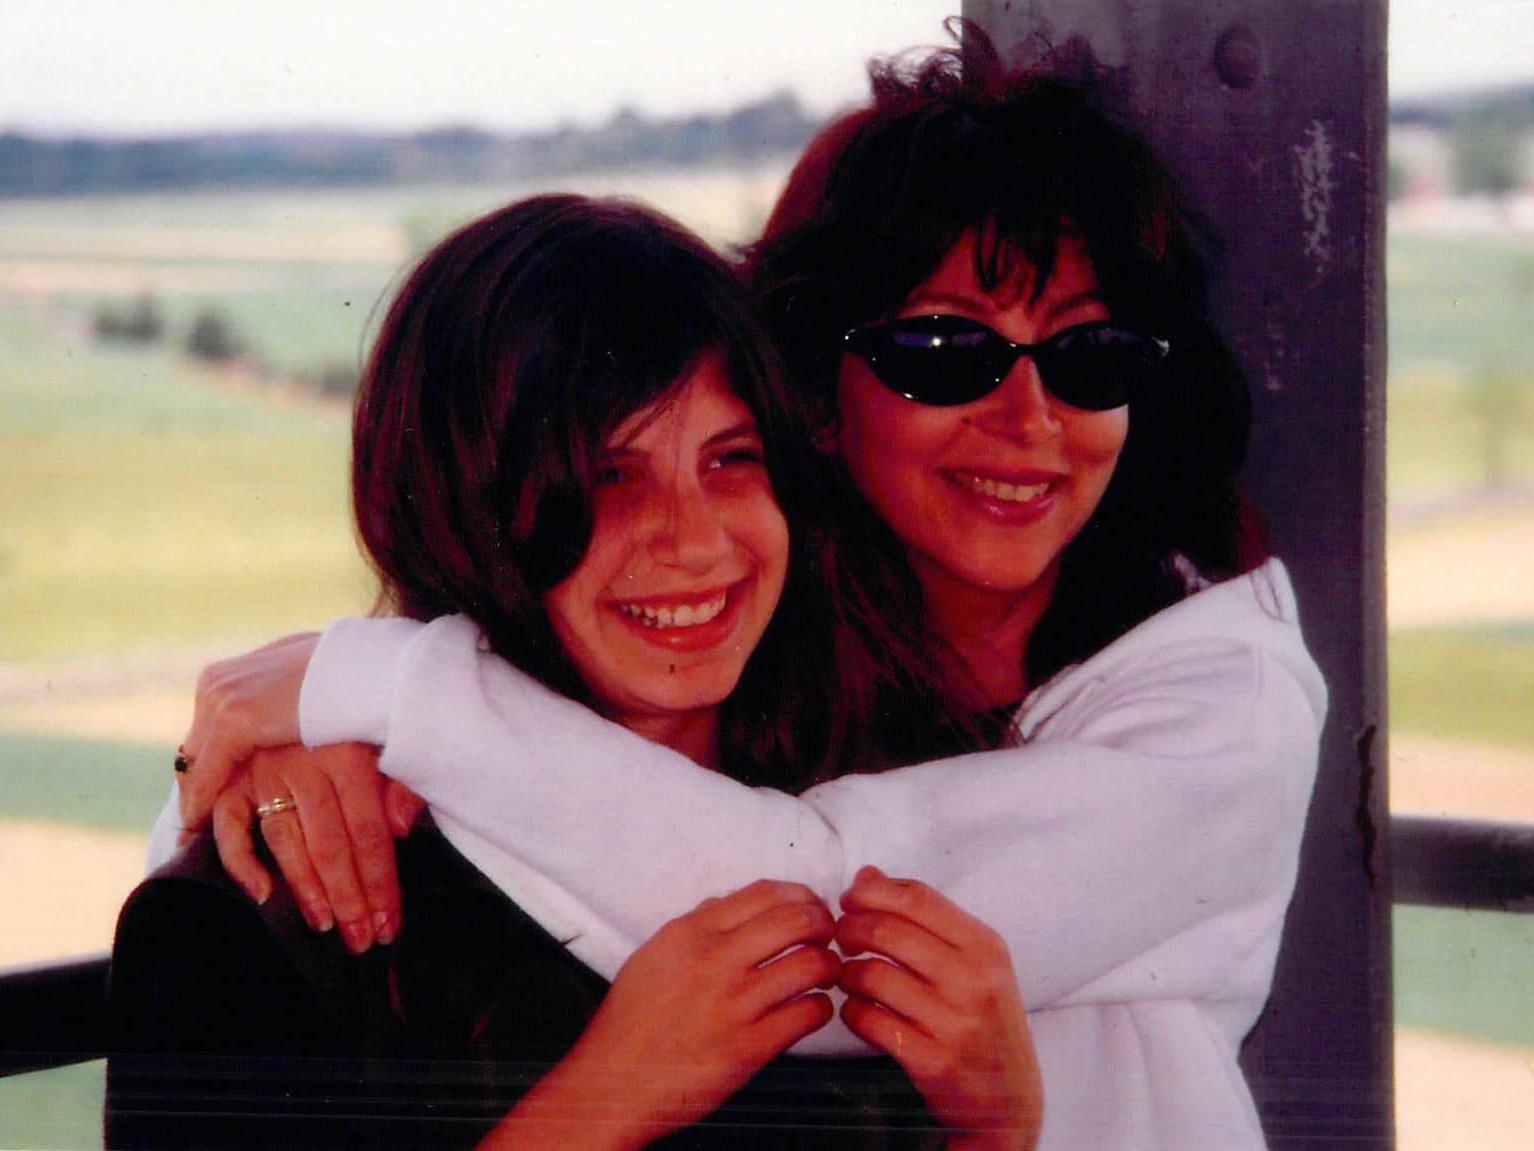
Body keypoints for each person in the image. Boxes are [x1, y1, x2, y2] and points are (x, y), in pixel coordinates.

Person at [164, 25, 1325, 1151]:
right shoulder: (807, 683)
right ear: (814, 394)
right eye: (942, 352)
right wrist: (299, 755)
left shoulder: (1224, 698)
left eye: (1090, 356)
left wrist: (383, 690)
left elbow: (813, 906)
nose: (1027, 421)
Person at [110, 193, 1043, 1150]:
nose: (696, 539)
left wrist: (1001, 1127)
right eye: (609, 474)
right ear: (461, 508)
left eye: (731, 459)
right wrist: (603, 1101)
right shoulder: (268, 910)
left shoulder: (886, 815)